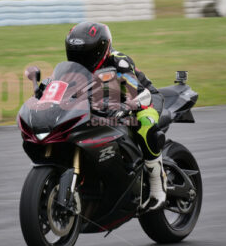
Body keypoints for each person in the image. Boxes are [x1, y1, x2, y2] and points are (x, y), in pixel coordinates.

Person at [63, 21, 167, 210]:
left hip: (144, 98)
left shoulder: (119, 61)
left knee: (143, 124)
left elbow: (136, 91)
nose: (81, 59)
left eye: (86, 53)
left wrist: (126, 106)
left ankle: (157, 186)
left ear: (102, 49)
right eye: (76, 53)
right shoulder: (73, 69)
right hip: (108, 105)